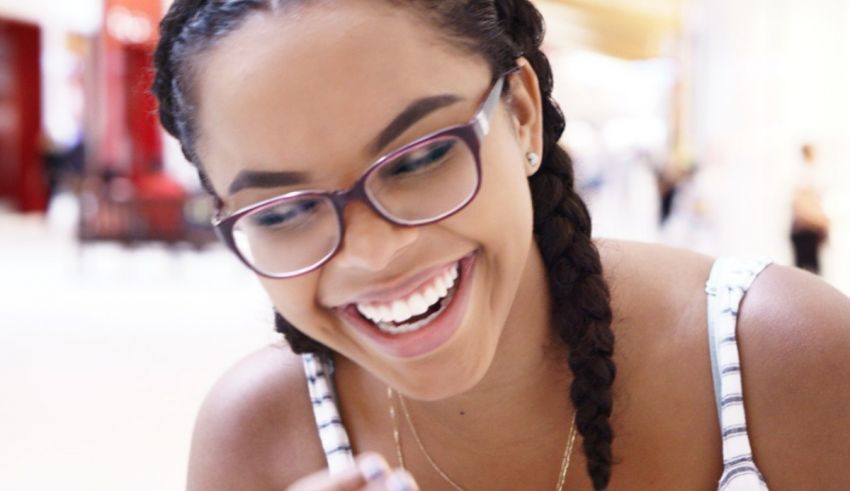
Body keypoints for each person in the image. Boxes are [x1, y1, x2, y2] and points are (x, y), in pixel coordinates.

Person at [152, 1, 850, 490]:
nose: (371, 254)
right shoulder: (255, 439)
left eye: (419, 160)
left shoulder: (778, 359)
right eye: (287, 211)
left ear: (520, 114)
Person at [790, 144, 830, 274]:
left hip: (809, 229)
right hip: (805, 230)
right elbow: (801, 205)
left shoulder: (810, 174)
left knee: (810, 269)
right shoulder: (805, 176)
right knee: (806, 270)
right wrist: (820, 222)